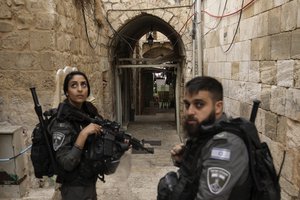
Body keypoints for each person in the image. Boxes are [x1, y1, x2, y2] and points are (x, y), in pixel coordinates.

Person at [157, 76, 252, 200]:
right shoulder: (207, 134)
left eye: (199, 104)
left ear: (218, 107)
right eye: (187, 104)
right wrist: (187, 158)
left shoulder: (226, 146)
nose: (189, 111)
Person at [48, 71, 126, 200]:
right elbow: (66, 164)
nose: (80, 89)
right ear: (66, 91)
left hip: (89, 182)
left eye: (83, 85)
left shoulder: (89, 112)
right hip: (73, 188)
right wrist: (83, 134)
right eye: (74, 85)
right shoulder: (61, 122)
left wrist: (118, 145)